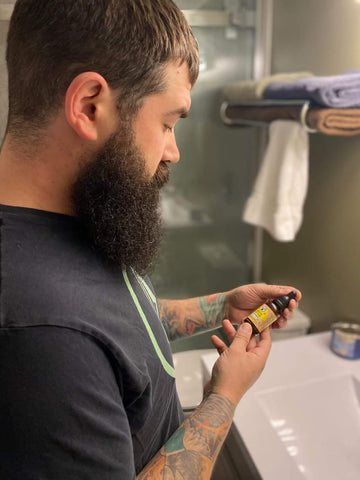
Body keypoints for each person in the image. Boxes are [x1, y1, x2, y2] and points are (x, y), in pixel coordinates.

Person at [0, 1, 301, 479]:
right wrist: (223, 398)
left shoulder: (70, 220)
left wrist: (219, 307)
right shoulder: (43, 336)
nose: (173, 150)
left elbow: (116, 324)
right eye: (167, 122)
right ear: (89, 106)